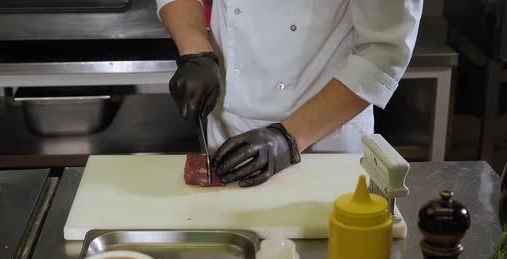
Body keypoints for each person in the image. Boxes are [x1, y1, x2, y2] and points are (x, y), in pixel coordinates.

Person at [156, 0, 423, 187]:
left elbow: (383, 52)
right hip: (227, 130)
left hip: (323, 142)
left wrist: (289, 137)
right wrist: (196, 50)